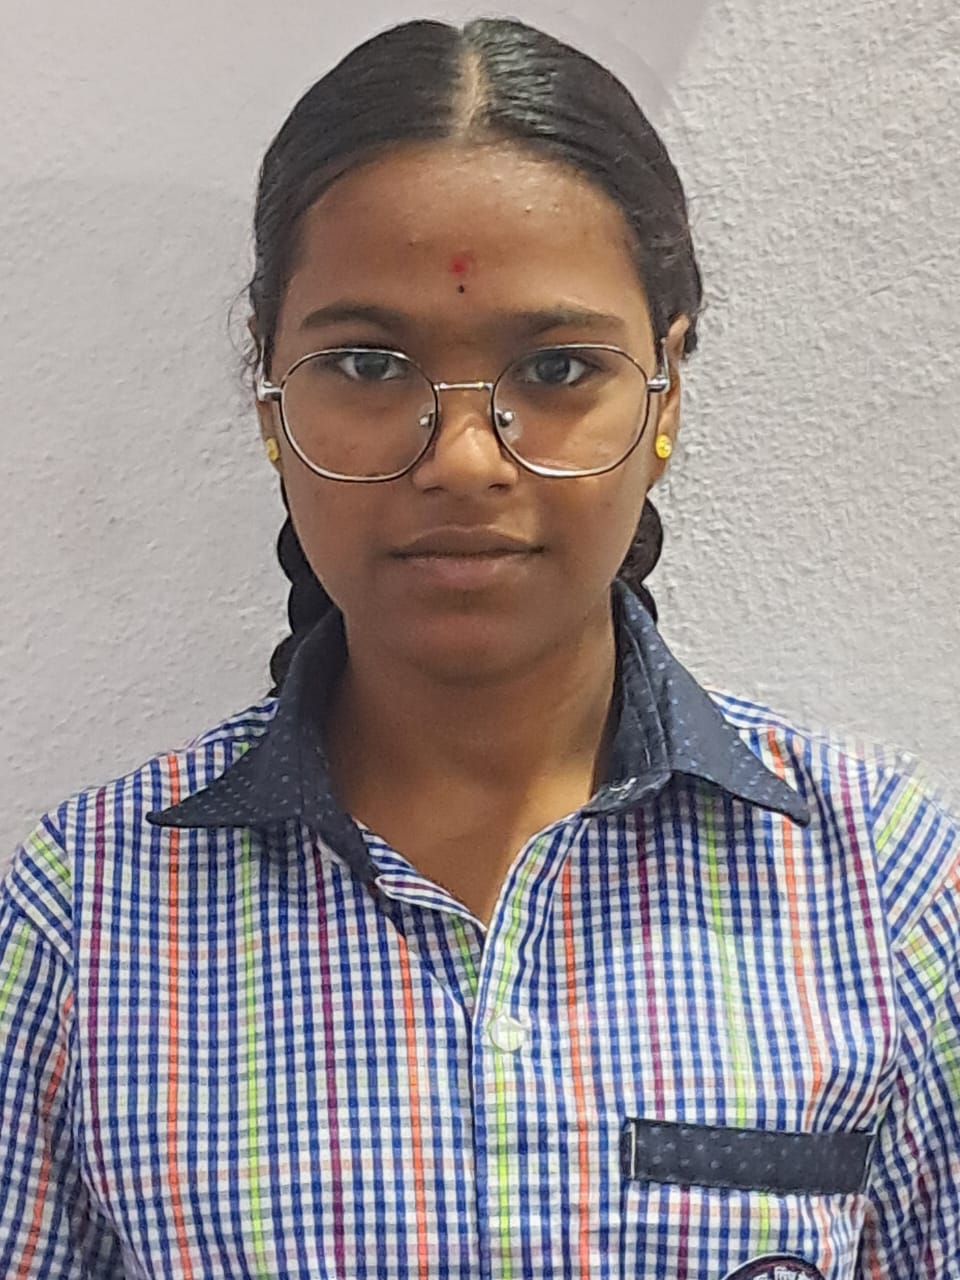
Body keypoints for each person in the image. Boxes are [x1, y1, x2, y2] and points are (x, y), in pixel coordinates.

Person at [0, 15, 957, 1280]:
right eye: (366, 362)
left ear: (666, 390)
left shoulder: (878, 885)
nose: (463, 459)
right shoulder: (91, 913)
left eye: (557, 366)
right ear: (269, 397)